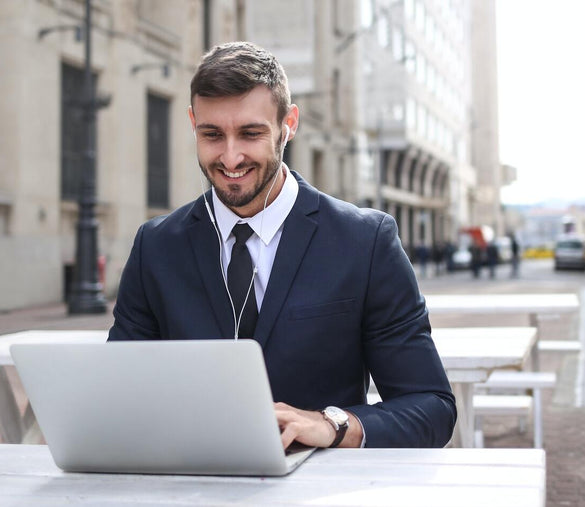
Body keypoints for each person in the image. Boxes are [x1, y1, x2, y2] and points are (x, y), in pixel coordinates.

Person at [108, 42, 455, 450]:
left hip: (320, 487)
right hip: (191, 480)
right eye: (212, 135)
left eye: (251, 133)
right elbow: (119, 392)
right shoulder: (156, 246)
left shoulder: (365, 241)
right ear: (192, 123)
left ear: (288, 123)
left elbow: (432, 406)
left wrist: (333, 425)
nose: (231, 157)